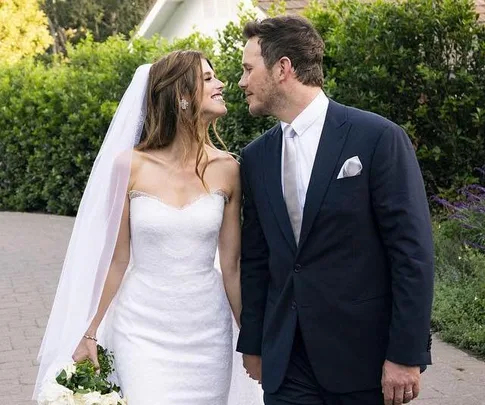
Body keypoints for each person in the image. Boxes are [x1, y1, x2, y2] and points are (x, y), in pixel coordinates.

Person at [34, 50, 263, 405]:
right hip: (141, 328)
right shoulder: (130, 166)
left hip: (207, 332)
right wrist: (90, 331)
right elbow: (116, 260)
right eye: (207, 79)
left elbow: (231, 267)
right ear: (181, 96)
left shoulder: (228, 168)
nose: (221, 84)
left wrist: (252, 339)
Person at [236, 15, 435, 405]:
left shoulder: (377, 138)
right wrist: (255, 343)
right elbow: (258, 259)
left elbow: (412, 254)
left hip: (363, 360)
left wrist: (406, 355)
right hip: (287, 364)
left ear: (282, 68)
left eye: (247, 69)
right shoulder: (255, 157)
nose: (242, 82)